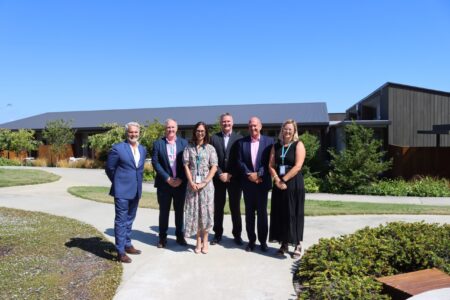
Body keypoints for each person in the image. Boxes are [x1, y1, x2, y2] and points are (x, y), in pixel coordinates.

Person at [106, 122, 147, 263]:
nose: (133, 134)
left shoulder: (142, 149)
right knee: (121, 221)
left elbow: (139, 171)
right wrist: (118, 183)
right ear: (126, 133)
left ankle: (127, 244)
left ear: (139, 133)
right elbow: (109, 169)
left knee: (130, 219)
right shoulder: (118, 149)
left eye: (136, 132)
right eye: (131, 132)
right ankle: (120, 251)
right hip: (122, 191)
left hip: (136, 191)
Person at [268, 119, 306, 259]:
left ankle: (297, 244)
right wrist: (277, 180)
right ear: (282, 130)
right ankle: (284, 244)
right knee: (281, 213)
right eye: (285, 128)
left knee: (294, 213)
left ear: (294, 131)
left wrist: (284, 179)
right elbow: (271, 165)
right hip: (279, 183)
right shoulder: (276, 146)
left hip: (293, 183)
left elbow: (298, 166)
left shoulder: (298, 145)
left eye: (290, 129)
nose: (287, 131)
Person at [237, 117, 274, 252]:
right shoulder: (242, 142)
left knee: (262, 214)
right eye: (251, 126)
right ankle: (251, 241)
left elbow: (269, 162)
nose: (253, 128)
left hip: (262, 183)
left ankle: (263, 242)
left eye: (255, 125)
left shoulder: (270, 142)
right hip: (248, 184)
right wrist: (250, 175)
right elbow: (240, 162)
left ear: (260, 126)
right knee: (249, 214)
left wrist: (258, 174)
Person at [152, 119, 188, 248]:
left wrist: (181, 179)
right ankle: (162, 238)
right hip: (164, 185)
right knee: (164, 212)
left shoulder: (184, 143)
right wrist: (167, 178)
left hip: (180, 184)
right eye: (168, 127)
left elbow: (187, 164)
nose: (170, 130)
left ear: (177, 128)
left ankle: (180, 236)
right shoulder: (158, 144)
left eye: (173, 127)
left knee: (179, 212)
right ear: (165, 129)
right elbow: (155, 163)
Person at [183, 122, 218, 254]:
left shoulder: (210, 148)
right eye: (198, 130)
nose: (200, 133)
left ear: (206, 132)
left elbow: (214, 166)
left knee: (206, 213)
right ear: (194, 132)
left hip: (206, 186)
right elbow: (186, 165)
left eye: (202, 131)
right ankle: (197, 241)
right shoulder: (188, 148)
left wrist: (204, 182)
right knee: (195, 213)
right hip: (192, 184)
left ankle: (205, 240)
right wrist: (191, 181)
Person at [210, 113, 244, 246]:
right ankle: (217, 234)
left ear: (232, 123)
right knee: (218, 208)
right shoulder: (214, 138)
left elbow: (240, 160)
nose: (226, 124)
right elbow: (211, 159)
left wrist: (230, 174)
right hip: (218, 179)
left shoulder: (239, 138)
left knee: (235, 208)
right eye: (224, 122)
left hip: (234, 179)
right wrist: (219, 173)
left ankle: (237, 235)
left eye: (228, 121)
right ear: (220, 123)